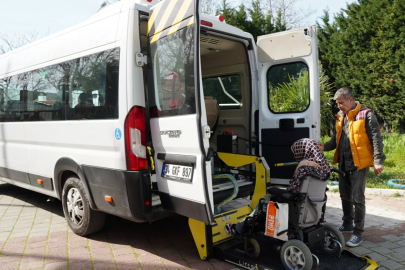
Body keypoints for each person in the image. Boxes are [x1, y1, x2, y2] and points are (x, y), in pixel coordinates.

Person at [318, 87, 386, 247]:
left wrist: (378, 161)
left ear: (350, 100)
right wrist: (324, 146)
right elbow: (336, 140)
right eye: (337, 103)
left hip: (359, 164)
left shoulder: (367, 115)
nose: (339, 106)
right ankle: (347, 223)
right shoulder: (340, 117)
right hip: (343, 162)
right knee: (344, 196)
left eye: (341, 103)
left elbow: (377, 140)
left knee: (358, 198)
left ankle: (358, 233)